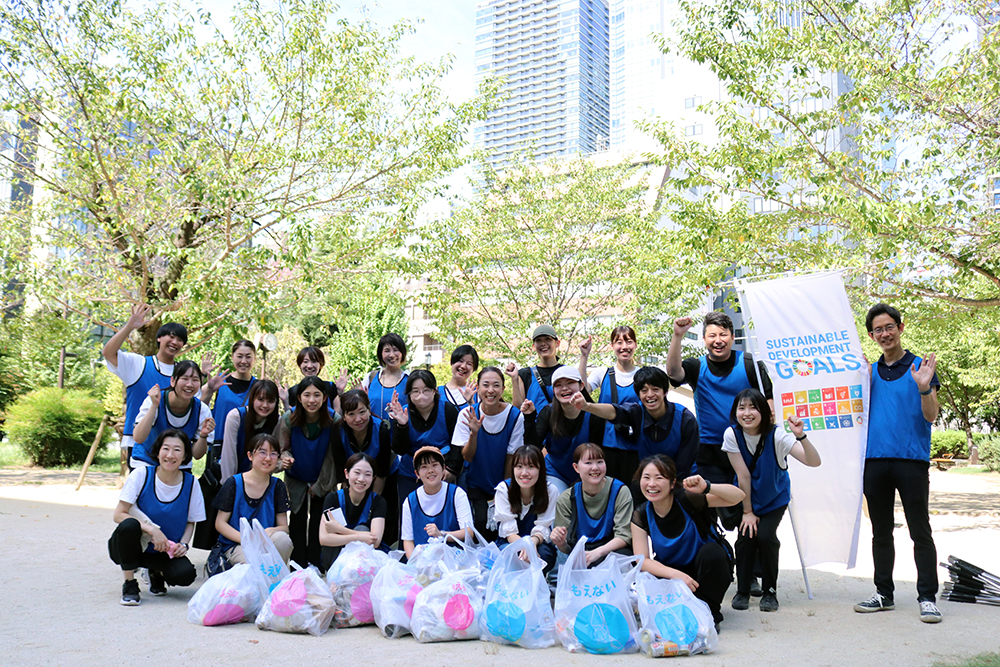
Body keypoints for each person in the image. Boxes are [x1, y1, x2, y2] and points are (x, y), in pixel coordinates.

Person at [854, 302, 943, 623]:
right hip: (874, 461)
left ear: (900, 328)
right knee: (880, 532)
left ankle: (928, 597)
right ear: (871, 335)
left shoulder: (922, 368)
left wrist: (923, 388)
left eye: (889, 327)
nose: (884, 333)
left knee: (920, 530)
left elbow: (931, 416)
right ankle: (883, 594)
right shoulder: (868, 373)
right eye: (878, 329)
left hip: (911, 460)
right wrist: (859, 380)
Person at [725, 388, 821, 612]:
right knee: (745, 537)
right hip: (746, 496)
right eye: (742, 408)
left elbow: (813, 461)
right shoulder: (731, 435)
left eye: (753, 407)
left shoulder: (778, 436)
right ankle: (743, 590)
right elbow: (743, 475)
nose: (747, 413)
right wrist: (747, 512)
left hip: (774, 498)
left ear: (764, 413)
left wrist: (801, 436)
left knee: (766, 536)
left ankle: (770, 591)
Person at [631, 454, 744, 627]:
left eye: (659, 478)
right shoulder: (641, 514)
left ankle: (710, 613)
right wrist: (675, 575)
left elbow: (738, 496)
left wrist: (707, 486)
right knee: (646, 575)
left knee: (713, 553)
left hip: (704, 570)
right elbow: (642, 560)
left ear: (671, 483)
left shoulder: (688, 499)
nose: (651, 484)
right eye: (646, 478)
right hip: (673, 572)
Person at [666, 312, 773, 487]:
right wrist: (678, 335)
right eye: (712, 335)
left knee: (749, 501)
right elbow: (673, 373)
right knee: (715, 501)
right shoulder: (696, 366)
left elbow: (769, 398)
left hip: (748, 445)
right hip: (710, 451)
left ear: (733, 337)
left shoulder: (748, 363)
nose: (718, 340)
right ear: (704, 339)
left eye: (723, 335)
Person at [572, 366, 701, 499]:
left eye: (655, 389)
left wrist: (666, 488)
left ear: (665, 392)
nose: (650, 395)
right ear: (638, 394)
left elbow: (684, 465)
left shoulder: (685, 419)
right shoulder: (637, 412)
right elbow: (614, 412)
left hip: (679, 482)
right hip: (647, 481)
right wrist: (587, 406)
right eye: (644, 391)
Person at [108, 429, 203, 605]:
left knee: (185, 575)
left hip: (164, 551)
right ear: (158, 451)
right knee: (129, 525)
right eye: (165, 448)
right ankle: (129, 583)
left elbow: (191, 522)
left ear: (184, 456)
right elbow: (118, 514)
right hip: (133, 547)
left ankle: (155, 572)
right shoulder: (141, 474)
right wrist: (152, 530)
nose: (170, 455)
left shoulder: (192, 483)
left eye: (177, 450)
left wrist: (183, 544)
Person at [102, 304, 187, 468]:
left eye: (180, 339)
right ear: (159, 338)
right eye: (171, 336)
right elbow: (108, 353)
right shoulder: (138, 364)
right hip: (139, 444)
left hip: (173, 448)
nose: (175, 342)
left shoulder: (184, 375)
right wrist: (129, 326)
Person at [454, 366, 526, 540]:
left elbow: (512, 457)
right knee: (480, 528)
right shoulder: (467, 414)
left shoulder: (515, 416)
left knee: (503, 529)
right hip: (476, 483)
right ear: (477, 388)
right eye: (485, 385)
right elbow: (467, 456)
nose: (491, 390)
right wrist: (474, 433)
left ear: (503, 389)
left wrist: (504, 491)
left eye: (496, 385)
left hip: (503, 482)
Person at [276, 375, 339, 569]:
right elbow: (282, 447)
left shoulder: (333, 419)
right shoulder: (289, 418)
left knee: (318, 522)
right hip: (296, 477)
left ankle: (316, 562)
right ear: (299, 397)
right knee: (296, 519)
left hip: (323, 476)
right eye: (307, 395)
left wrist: (320, 484)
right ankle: (296, 564)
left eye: (317, 395)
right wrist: (285, 458)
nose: (312, 400)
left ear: (324, 397)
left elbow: (332, 457)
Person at [522, 366, 605, 495]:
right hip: (555, 472)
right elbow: (533, 446)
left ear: (581, 385)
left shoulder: (594, 415)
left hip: (587, 473)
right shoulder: (548, 412)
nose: (565, 388)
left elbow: (598, 451)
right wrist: (529, 418)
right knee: (558, 498)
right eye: (559, 385)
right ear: (554, 390)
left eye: (570, 383)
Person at [212, 434, 292, 567]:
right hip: (236, 545)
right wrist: (246, 539)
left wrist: (271, 531)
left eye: (273, 454)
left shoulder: (278, 486)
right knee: (255, 563)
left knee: (283, 540)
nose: (268, 458)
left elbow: (284, 527)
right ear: (250, 455)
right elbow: (220, 523)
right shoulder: (233, 483)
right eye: (262, 452)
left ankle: (276, 581)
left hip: (265, 541)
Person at [551, 443, 633, 567]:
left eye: (600, 462)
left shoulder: (620, 491)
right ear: (576, 467)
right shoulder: (567, 498)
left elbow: (624, 536)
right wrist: (560, 543)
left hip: (611, 550)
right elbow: (567, 548)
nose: (595, 468)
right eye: (588, 463)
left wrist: (598, 553)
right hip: (581, 554)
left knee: (623, 560)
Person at [578, 326, 641, 484]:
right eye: (618, 342)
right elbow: (581, 389)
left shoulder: (643, 375)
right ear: (612, 346)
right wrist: (584, 356)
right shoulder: (603, 373)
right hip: (605, 447)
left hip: (635, 448)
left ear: (635, 345)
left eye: (629, 341)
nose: (624, 346)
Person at [388, 369, 463, 503]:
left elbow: (458, 443)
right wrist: (402, 425)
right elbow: (399, 449)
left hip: (442, 469)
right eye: (415, 391)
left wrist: (452, 470)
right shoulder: (402, 412)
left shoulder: (448, 410)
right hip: (410, 472)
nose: (421, 396)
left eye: (426, 390)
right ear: (409, 394)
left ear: (434, 391)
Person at [131, 360, 213, 469]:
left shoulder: (202, 410)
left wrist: (203, 435)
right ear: (173, 381)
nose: (189, 384)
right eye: (184, 378)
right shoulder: (154, 400)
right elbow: (138, 438)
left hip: (179, 466)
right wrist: (154, 406)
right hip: (146, 463)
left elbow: (197, 455)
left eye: (195, 380)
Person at [493, 445, 560, 573]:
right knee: (509, 556)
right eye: (519, 466)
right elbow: (509, 532)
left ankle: (537, 586)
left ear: (541, 469)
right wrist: (525, 545)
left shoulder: (550, 491)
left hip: (538, 543)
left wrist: (532, 543)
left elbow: (544, 527)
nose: (524, 473)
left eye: (531, 467)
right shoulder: (504, 489)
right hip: (511, 542)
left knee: (544, 556)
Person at [400, 446, 473, 558]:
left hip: (455, 559)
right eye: (424, 467)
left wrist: (442, 534)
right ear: (417, 474)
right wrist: (415, 564)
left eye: (434, 465)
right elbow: (408, 541)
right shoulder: (410, 502)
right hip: (424, 562)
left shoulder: (457, 494)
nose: (430, 471)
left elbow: (469, 532)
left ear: (443, 468)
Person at [320, 453, 388, 570]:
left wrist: (340, 530)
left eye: (367, 475)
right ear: (347, 473)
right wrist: (360, 537)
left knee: (362, 528)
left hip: (364, 565)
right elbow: (323, 539)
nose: (361, 479)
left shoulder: (378, 501)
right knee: (335, 541)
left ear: (373, 478)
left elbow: (375, 541)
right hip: (335, 558)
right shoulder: (333, 499)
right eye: (357, 473)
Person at [201, 339, 258, 468]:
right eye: (239, 356)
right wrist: (209, 388)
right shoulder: (219, 380)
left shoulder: (258, 387)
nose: (244, 361)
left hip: (246, 448)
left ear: (254, 358)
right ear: (232, 357)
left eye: (248, 357)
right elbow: (198, 407)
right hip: (219, 446)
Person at [219, 379, 281, 482]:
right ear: (252, 399)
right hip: (234, 480)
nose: (265, 405)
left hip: (260, 482)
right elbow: (229, 455)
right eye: (260, 399)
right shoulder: (236, 417)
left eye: (270, 401)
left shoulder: (277, 421)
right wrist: (229, 485)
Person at [333, 390, 392, 493]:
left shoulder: (381, 430)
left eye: (362, 412)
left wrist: (373, 503)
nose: (358, 419)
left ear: (369, 410)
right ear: (344, 416)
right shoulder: (338, 431)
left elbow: (382, 471)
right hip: (352, 480)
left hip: (381, 480)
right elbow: (341, 469)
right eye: (351, 414)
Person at [510, 324, 564, 412]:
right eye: (538, 340)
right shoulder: (525, 375)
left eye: (548, 339)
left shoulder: (566, 372)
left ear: (557, 343)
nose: (543, 344)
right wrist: (514, 379)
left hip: (561, 425)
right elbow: (517, 410)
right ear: (534, 346)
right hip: (534, 424)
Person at [283, 346, 347, 413]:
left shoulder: (330, 387)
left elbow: (339, 417)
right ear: (300, 365)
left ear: (321, 365)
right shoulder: (293, 391)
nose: (309, 366)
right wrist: (285, 401)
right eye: (305, 362)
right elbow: (290, 419)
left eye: (314, 361)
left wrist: (340, 392)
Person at [363, 333, 409, 422]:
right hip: (374, 433)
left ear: (402, 353)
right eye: (387, 351)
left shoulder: (410, 380)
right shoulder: (370, 378)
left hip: (400, 433)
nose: (391, 355)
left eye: (396, 350)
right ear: (381, 354)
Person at [440, 344, 479, 411]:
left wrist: (471, 402)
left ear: (473, 369)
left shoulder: (477, 393)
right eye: (460, 361)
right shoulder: (438, 392)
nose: (463, 366)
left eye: (469, 364)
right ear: (452, 362)